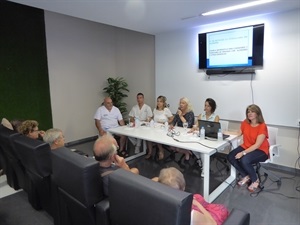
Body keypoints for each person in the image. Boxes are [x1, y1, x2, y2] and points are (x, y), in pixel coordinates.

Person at [156, 167, 229, 225]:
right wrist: (197, 204)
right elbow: (213, 223)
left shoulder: (152, 197)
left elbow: (156, 179)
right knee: (222, 210)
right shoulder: (192, 214)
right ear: (183, 187)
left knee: (197, 197)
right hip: (201, 219)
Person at [227, 104, 269, 192]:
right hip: (246, 146)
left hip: (261, 150)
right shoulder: (245, 122)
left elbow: (257, 145)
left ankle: (255, 180)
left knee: (244, 160)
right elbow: (238, 133)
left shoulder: (262, 126)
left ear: (257, 113)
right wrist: (224, 132)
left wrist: (243, 153)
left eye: (252, 111)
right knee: (231, 156)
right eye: (248, 112)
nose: (249, 113)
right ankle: (245, 175)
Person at [189, 98, 220, 176]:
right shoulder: (201, 115)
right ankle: (200, 159)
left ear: (212, 107)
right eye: (205, 105)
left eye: (208, 106)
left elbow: (215, 129)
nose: (206, 107)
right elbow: (196, 125)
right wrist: (193, 129)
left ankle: (204, 169)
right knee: (191, 145)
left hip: (211, 138)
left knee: (203, 150)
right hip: (201, 136)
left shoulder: (216, 116)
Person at [146, 95, 174, 160]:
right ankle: (150, 152)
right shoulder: (155, 110)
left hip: (163, 129)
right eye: (158, 101)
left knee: (157, 137)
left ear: (163, 103)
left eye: (160, 101)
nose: (159, 103)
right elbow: (153, 117)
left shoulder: (166, 110)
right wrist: (150, 118)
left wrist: (165, 123)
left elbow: (172, 118)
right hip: (155, 128)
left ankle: (161, 151)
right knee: (148, 136)